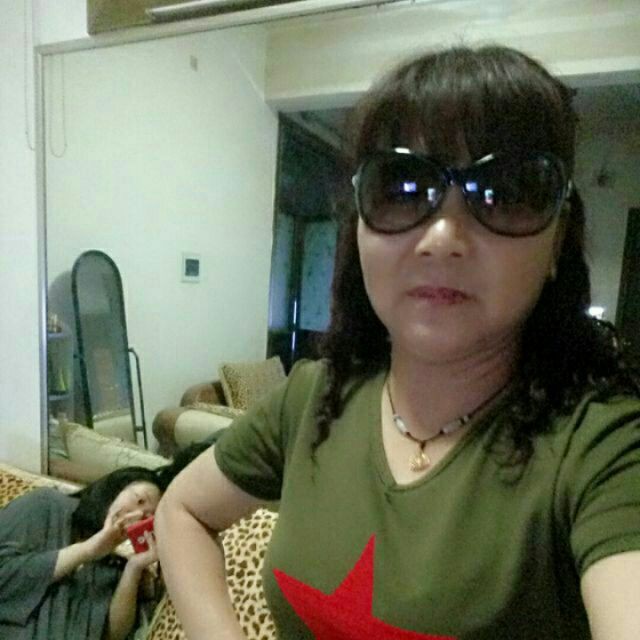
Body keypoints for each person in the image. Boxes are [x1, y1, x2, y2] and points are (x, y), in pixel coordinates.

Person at [155, 44, 640, 640]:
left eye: (505, 192)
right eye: (402, 187)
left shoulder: (604, 447)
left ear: (558, 239)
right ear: (358, 226)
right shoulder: (314, 397)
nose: (443, 237)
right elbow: (182, 509)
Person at [0, 466, 163, 640]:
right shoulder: (44, 504)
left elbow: (112, 634)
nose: (137, 516)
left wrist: (133, 568)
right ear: (117, 487)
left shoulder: (112, 567)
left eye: (147, 518)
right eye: (139, 501)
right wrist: (87, 550)